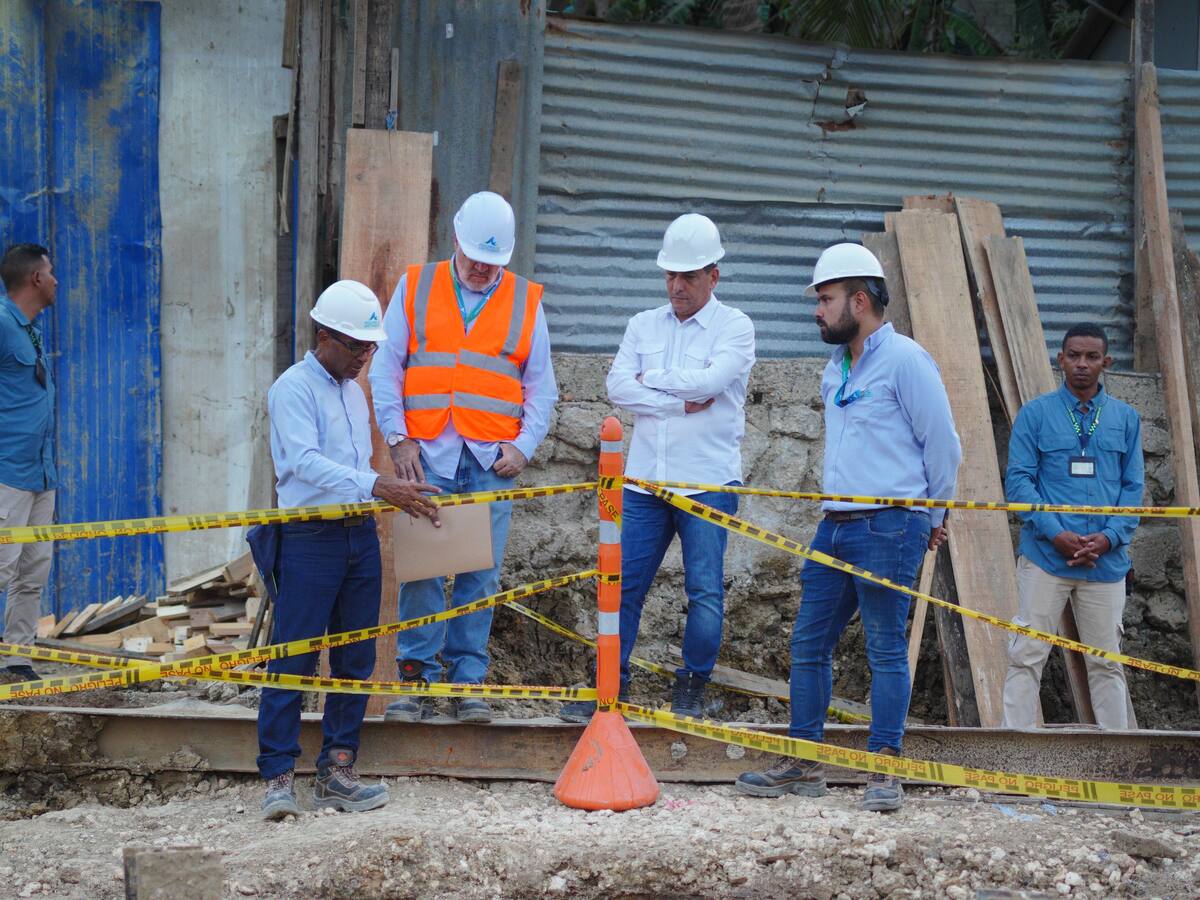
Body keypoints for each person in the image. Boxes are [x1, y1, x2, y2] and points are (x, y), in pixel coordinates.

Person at [736, 243, 961, 813]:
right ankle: (804, 762)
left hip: (891, 525)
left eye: (826, 299)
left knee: (886, 649)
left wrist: (932, 517)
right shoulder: (833, 368)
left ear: (859, 301)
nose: (818, 310)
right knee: (809, 642)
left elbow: (944, 446)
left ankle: (884, 770)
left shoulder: (907, 361)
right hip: (834, 524)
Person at [369, 191, 557, 724]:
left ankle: (467, 682)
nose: (481, 268)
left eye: (492, 261)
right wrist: (397, 437)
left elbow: (542, 387)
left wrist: (524, 446)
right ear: (455, 239)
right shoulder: (416, 286)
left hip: (489, 459)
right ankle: (416, 683)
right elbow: (388, 368)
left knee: (480, 574)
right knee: (424, 571)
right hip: (425, 454)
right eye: (475, 256)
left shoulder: (525, 301)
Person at [559, 213, 755, 722]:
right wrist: (673, 399)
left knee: (705, 591)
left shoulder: (736, 327)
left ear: (714, 276)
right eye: (670, 275)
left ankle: (690, 695)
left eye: (688, 276)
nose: (677, 286)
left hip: (707, 481)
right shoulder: (641, 324)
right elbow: (617, 387)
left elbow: (711, 383)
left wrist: (655, 379)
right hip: (645, 481)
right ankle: (609, 690)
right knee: (622, 585)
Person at [257, 280, 440, 821]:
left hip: (357, 534)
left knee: (356, 655)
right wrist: (381, 486)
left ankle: (338, 769)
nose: (366, 357)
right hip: (310, 537)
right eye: (357, 346)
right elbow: (305, 464)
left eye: (370, 348)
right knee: (294, 654)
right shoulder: (293, 389)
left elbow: (356, 470)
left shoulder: (351, 391)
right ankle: (277, 775)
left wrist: (387, 494)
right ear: (324, 336)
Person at [1001, 322, 1142, 730]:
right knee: (1026, 655)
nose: (1082, 364)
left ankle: (1114, 766)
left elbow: (1133, 487)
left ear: (1106, 363)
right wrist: (1055, 533)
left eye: (1092, 357)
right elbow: (1020, 481)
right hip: (1046, 558)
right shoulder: (1036, 414)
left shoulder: (1125, 419)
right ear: (1060, 360)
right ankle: (1017, 758)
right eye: (1074, 356)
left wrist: (1109, 538)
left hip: (1105, 563)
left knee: (1107, 664)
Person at [0, 244, 58, 683]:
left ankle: (16, 661)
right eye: (51, 273)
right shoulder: (2, 324)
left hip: (40, 472)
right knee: (1, 568)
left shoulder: (29, 330)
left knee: (32, 571)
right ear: (35, 279)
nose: (56, 281)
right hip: (7, 471)